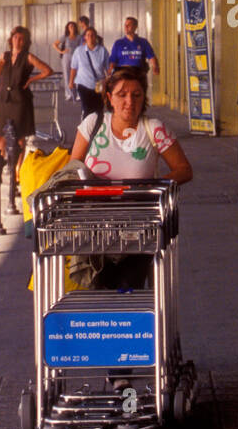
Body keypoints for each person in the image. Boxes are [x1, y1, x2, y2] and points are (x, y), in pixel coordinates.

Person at [67, 66, 192, 292]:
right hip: (95, 227)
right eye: (121, 95)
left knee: (127, 288)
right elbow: (72, 168)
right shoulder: (93, 124)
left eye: (136, 95)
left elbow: (183, 170)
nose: (129, 101)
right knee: (97, 288)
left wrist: (152, 184)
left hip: (139, 228)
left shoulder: (153, 129)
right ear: (109, 98)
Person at [0, 26, 53, 174]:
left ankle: (16, 171)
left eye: (21, 39)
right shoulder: (5, 56)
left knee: (19, 137)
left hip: (20, 102)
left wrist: (32, 79)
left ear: (25, 42)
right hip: (4, 101)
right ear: (11, 39)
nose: (17, 41)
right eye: (15, 38)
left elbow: (48, 70)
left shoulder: (28, 57)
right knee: (0, 135)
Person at [69, 26, 109, 120]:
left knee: (99, 108)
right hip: (83, 84)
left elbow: (108, 68)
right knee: (87, 109)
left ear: (96, 37)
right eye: (88, 35)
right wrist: (71, 81)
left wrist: (109, 80)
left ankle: (98, 128)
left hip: (99, 85)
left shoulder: (103, 51)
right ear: (85, 38)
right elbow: (73, 67)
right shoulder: (79, 51)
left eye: (92, 35)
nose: (90, 37)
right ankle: (86, 129)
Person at [53, 20, 81, 102]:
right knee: (67, 75)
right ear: (68, 28)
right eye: (70, 26)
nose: (72, 28)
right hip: (66, 57)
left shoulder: (79, 37)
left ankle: (78, 94)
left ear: (75, 28)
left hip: (76, 57)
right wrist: (61, 51)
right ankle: (68, 94)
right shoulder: (65, 37)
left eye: (73, 26)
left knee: (78, 74)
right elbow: (54, 44)